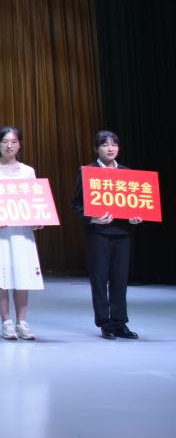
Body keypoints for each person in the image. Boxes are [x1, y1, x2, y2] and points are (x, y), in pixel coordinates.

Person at [71, 130, 143, 340]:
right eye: (105, 144)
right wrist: (92, 218)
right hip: (98, 233)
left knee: (120, 279)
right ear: (96, 149)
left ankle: (120, 322)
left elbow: (134, 204)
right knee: (100, 279)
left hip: (122, 233)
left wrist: (135, 218)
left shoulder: (126, 172)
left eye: (114, 144)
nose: (110, 148)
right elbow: (76, 205)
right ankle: (105, 323)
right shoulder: (88, 172)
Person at [0, 126, 43, 340]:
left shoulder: (28, 171)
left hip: (20, 231)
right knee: (0, 275)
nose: (9, 145)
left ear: (20, 144)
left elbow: (34, 201)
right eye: (5, 141)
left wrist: (37, 220)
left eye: (13, 142)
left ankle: (22, 322)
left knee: (22, 275)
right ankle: (6, 322)